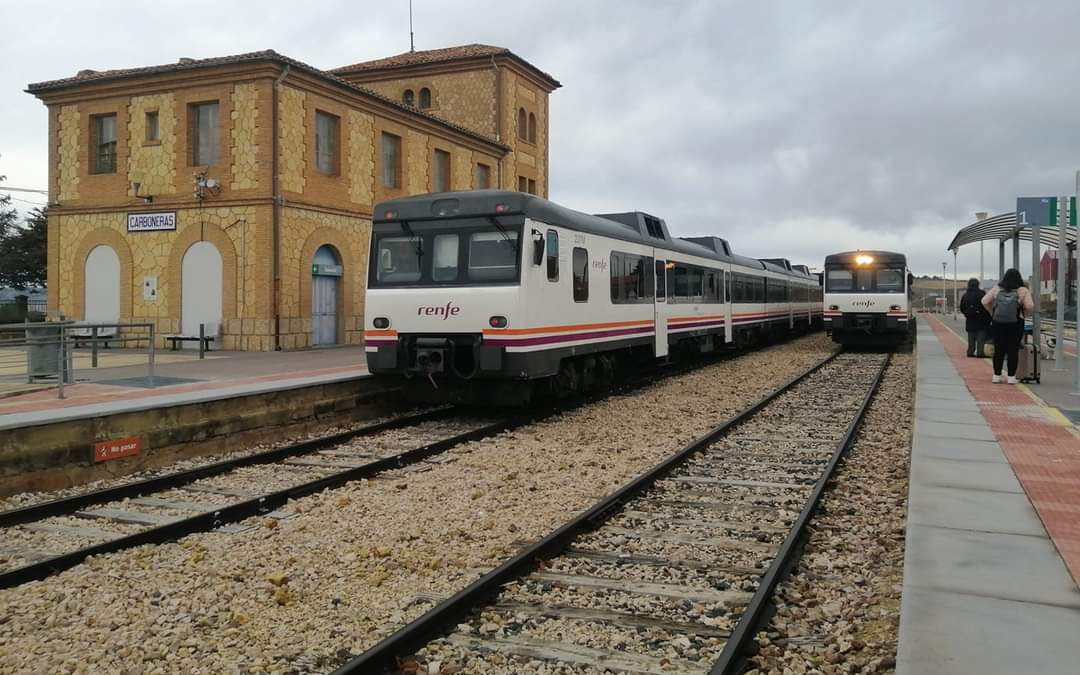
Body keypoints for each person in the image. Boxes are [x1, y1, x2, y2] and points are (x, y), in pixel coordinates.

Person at [981, 268, 1034, 384]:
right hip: (1015, 324)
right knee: (1013, 350)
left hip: (998, 324)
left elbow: (984, 301)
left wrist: (992, 312)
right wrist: (1024, 315)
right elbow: (1030, 306)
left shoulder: (997, 289)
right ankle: (1011, 377)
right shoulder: (1023, 290)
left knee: (998, 349)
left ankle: (996, 376)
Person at [959, 278, 991, 357]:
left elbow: (962, 308)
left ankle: (970, 351)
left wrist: (967, 314)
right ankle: (980, 352)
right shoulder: (982, 294)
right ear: (978, 285)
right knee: (981, 337)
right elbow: (987, 305)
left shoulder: (965, 295)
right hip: (981, 320)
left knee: (971, 336)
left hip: (970, 319)